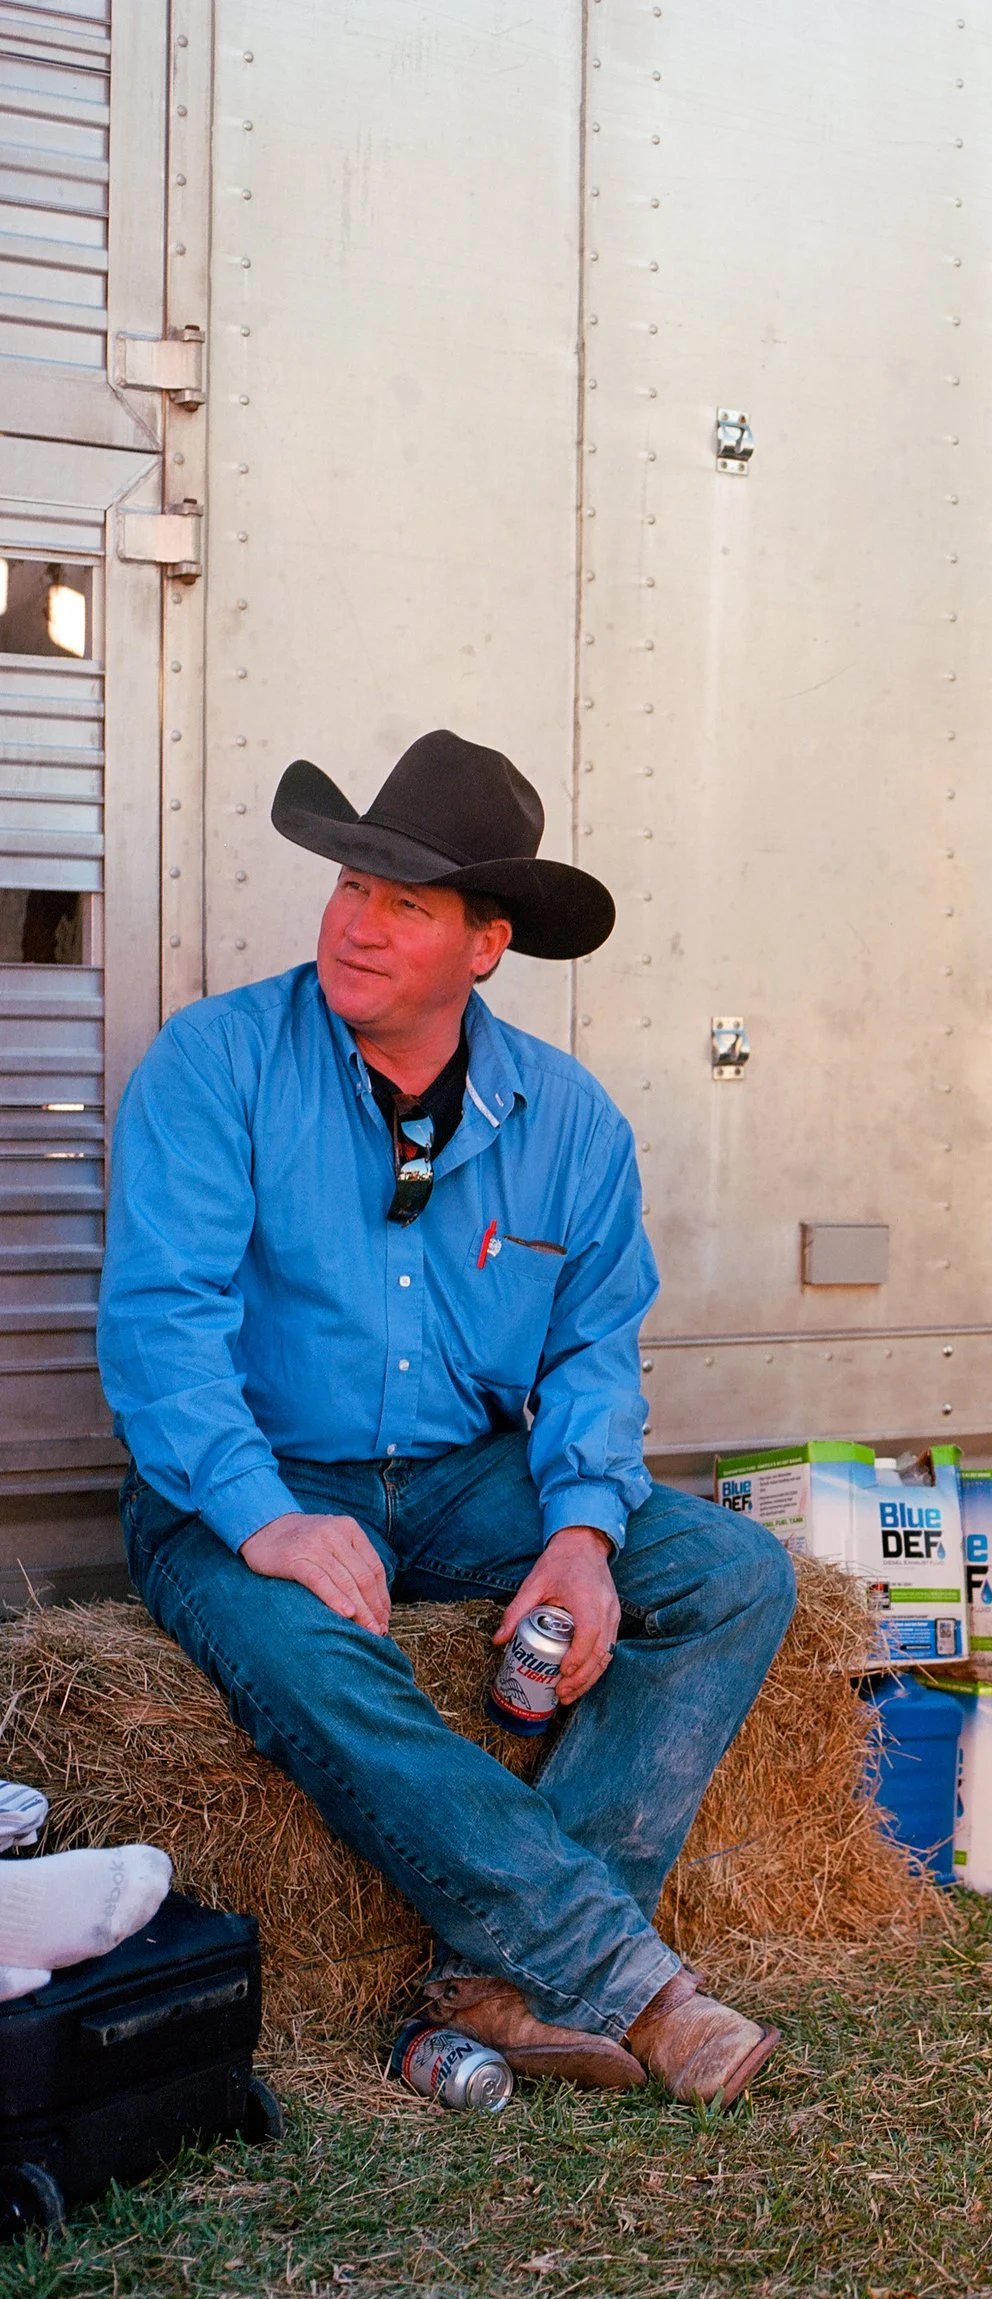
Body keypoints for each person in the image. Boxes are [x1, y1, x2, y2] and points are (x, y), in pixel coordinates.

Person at [98, 731, 797, 2107]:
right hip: (238, 1481)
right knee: (315, 1661)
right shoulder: (215, 1065)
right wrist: (266, 1519)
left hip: (468, 1477)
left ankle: (489, 1990)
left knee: (733, 1575)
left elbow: (597, 1348)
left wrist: (586, 1531)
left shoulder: (573, 1121)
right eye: (351, 886)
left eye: (404, 905)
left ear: (484, 947)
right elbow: (160, 1328)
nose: (356, 925)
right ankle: (628, 1983)